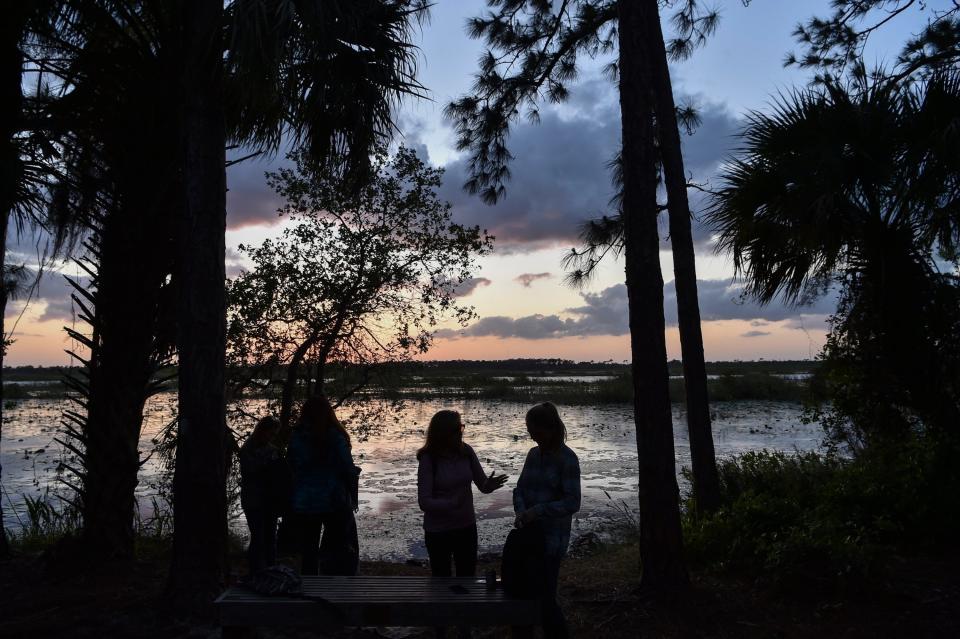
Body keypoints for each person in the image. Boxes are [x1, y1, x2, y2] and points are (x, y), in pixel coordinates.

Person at [513, 402, 581, 639]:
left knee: (545, 599)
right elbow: (520, 488)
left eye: (536, 431)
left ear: (551, 429)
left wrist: (539, 511)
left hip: (551, 541)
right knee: (523, 593)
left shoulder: (568, 459)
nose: (532, 436)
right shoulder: (533, 454)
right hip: (528, 537)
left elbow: (573, 503)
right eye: (530, 431)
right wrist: (522, 511)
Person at [417, 409, 508, 578]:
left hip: (466, 527)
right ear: (443, 433)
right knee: (441, 580)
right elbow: (424, 502)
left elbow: (483, 485)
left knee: (467, 578)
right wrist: (451, 504)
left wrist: (490, 485)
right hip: (438, 531)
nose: (461, 432)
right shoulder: (428, 459)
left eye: (461, 428)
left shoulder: (466, 451)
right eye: (457, 429)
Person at [287, 395, 360, 576]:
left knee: (308, 549)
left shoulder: (296, 436)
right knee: (335, 547)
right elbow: (347, 466)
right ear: (328, 413)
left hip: (305, 500)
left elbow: (292, 465)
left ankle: (310, 586)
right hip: (333, 500)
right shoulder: (335, 437)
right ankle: (333, 586)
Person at [239, 415, 285, 575]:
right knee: (258, 536)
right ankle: (256, 571)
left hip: (269, 500)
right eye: (270, 433)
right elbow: (251, 472)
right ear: (262, 430)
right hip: (253, 499)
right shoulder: (247, 449)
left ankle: (271, 570)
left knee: (270, 537)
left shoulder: (273, 450)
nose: (272, 437)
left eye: (274, 434)